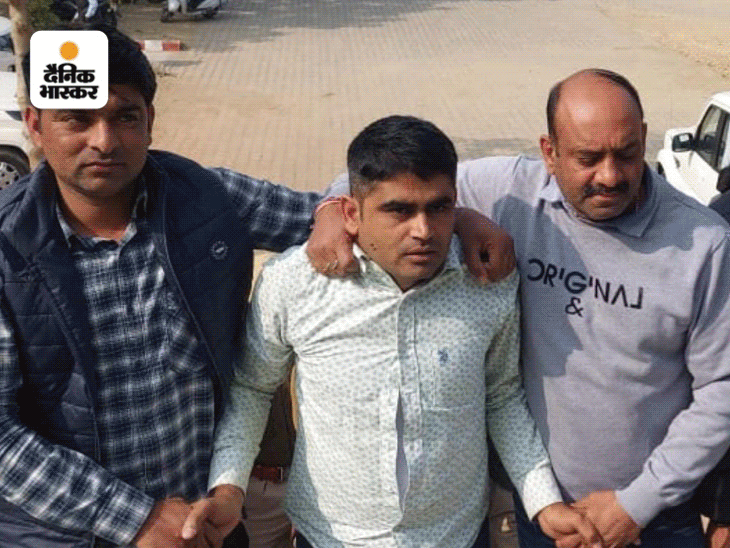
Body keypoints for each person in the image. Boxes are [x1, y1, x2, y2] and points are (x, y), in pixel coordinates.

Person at [0, 25, 514, 548]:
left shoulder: (206, 198)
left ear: (150, 120)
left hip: (205, 523)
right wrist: (135, 519)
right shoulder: (6, 248)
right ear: (36, 125)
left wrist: (461, 219)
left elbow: (364, 211)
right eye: (77, 119)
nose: (104, 141)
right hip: (63, 533)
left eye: (124, 117)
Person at [310, 70, 730, 548]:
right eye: (588, 159)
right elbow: (374, 180)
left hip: (655, 520)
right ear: (548, 152)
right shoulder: (510, 194)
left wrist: (636, 504)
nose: (610, 176)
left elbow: (722, 388)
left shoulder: (704, 244)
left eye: (627, 154)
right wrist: (331, 215)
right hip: (545, 512)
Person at [183, 115, 601, 548]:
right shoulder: (295, 284)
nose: (423, 231)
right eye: (399, 210)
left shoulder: (486, 282)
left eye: (439, 208)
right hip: (331, 538)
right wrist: (228, 490)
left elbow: (502, 397)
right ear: (351, 212)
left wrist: (544, 503)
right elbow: (252, 389)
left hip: (456, 536)